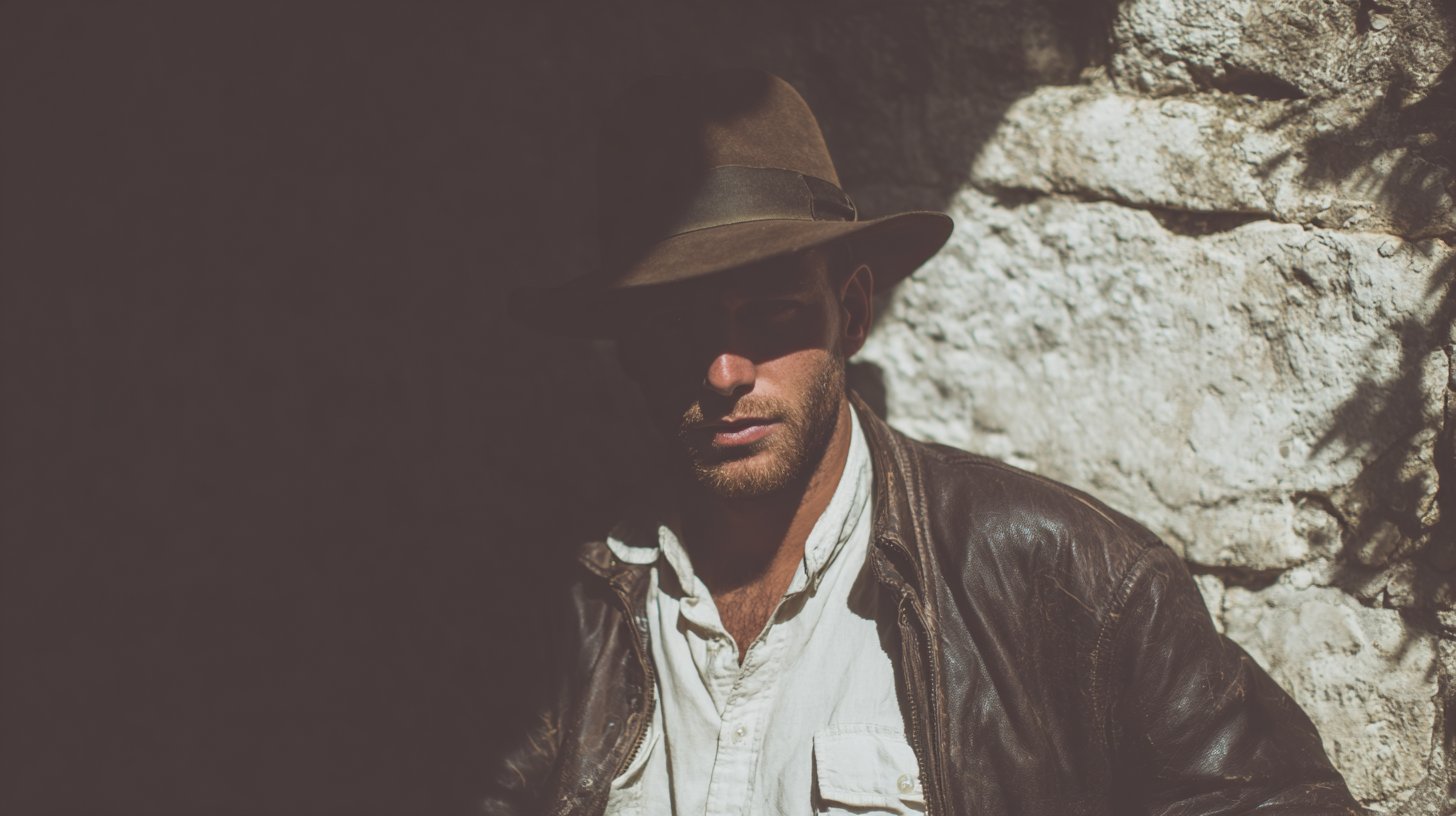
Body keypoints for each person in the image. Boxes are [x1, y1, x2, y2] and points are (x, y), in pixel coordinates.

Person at [490, 68, 1360, 815]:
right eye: (676, 326)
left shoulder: (1066, 582)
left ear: (852, 313)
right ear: (631, 348)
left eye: (771, 314)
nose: (723, 371)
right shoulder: (565, 601)